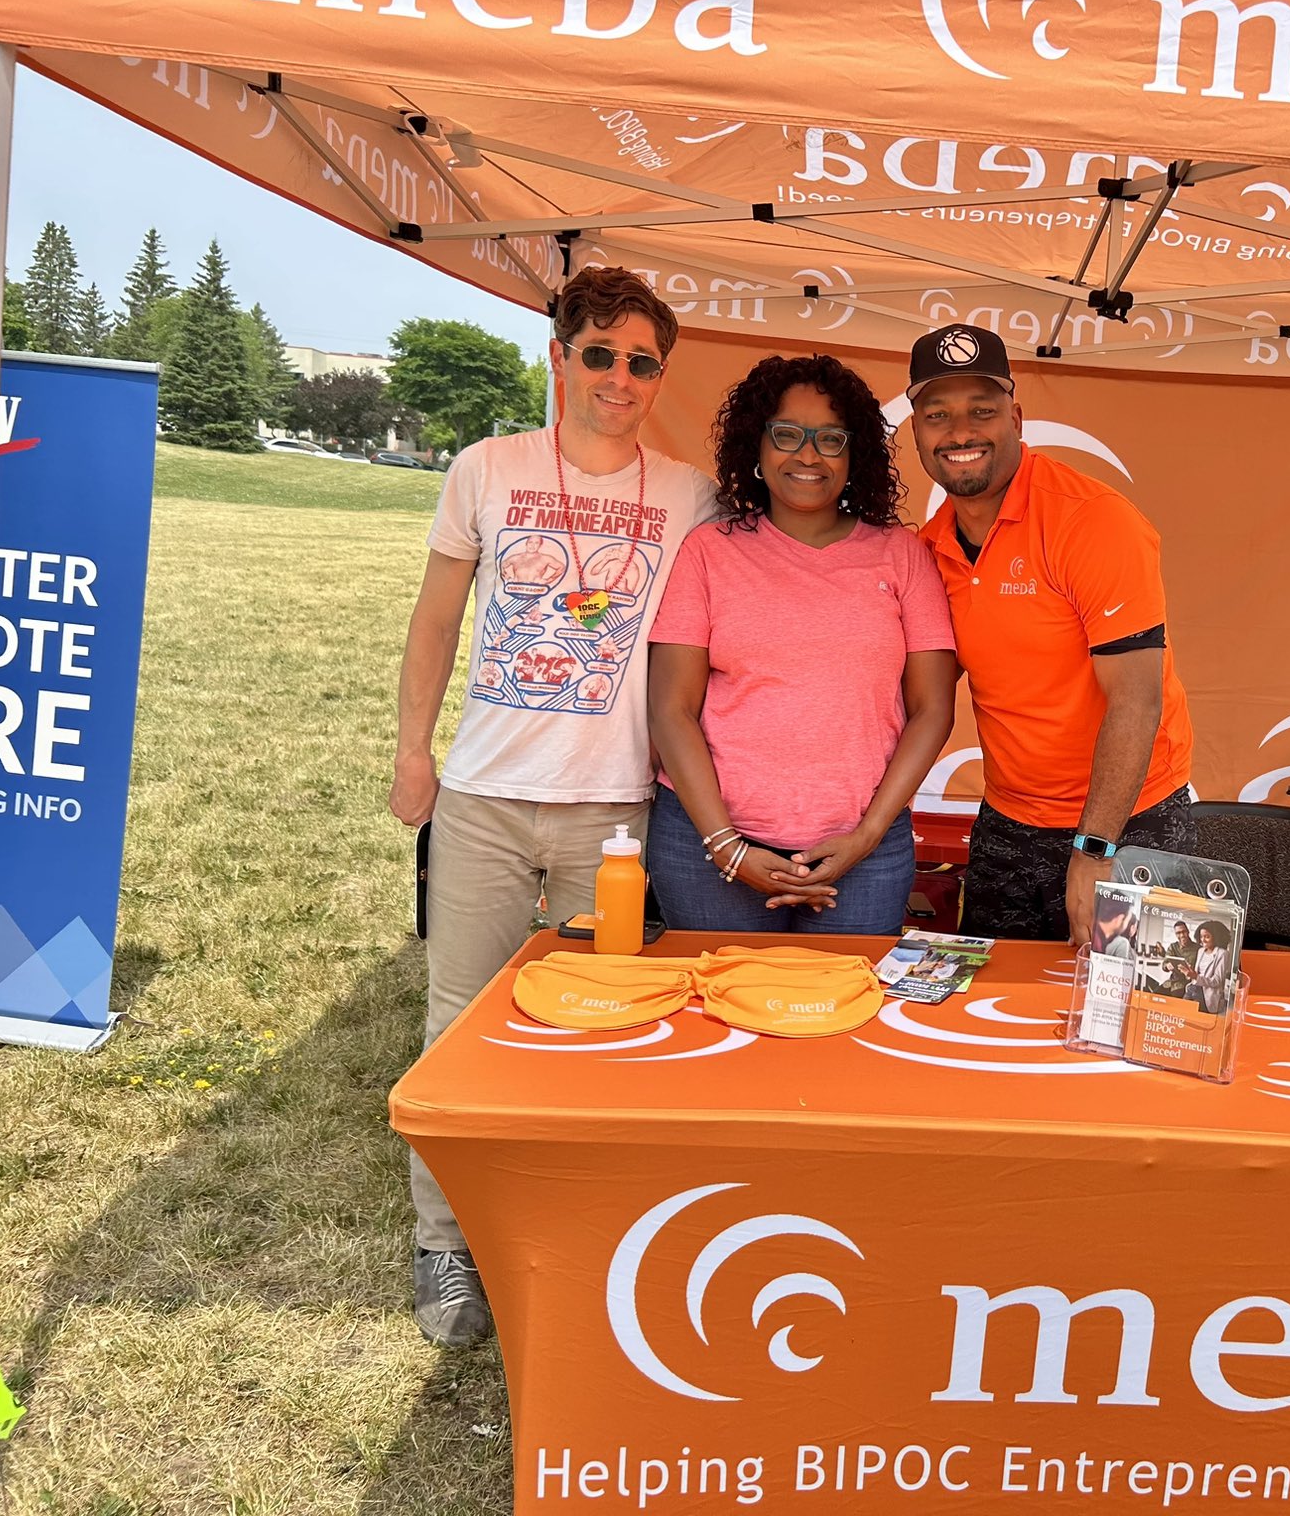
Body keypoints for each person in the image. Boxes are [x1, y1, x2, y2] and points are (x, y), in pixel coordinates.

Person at [387, 266, 715, 1347]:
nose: (618, 379)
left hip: (615, 811)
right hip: (482, 798)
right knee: (457, 1024)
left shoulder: (687, 493)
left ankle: (581, 1231)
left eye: (640, 362)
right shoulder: (487, 468)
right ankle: (445, 1243)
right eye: (599, 355)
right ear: (558, 356)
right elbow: (434, 625)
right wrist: (411, 755)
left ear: (658, 375)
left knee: (607, 1026)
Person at [646, 354, 957, 932]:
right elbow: (671, 710)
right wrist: (726, 846)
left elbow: (933, 710)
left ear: (855, 454)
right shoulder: (709, 551)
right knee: (714, 1015)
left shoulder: (902, 556)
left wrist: (866, 837)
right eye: (786, 435)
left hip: (864, 854)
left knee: (844, 1017)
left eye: (830, 440)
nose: (807, 455)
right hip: (707, 849)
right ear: (757, 449)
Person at [910, 323, 1195, 945]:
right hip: (1008, 820)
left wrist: (1095, 851)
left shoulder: (1092, 522)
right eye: (938, 415)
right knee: (989, 1011)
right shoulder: (929, 546)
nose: (960, 432)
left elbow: (1136, 700)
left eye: (981, 410)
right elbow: (917, 702)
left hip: (1130, 820)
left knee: (1123, 1018)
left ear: (1016, 417)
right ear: (916, 432)